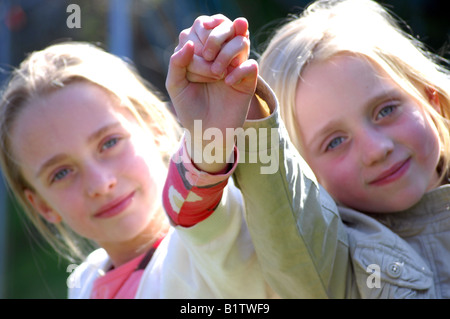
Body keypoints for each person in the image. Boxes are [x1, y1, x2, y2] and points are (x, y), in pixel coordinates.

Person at [178, 0, 450, 298]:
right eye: (334, 142)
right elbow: (281, 203)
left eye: (385, 111)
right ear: (307, 173)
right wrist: (238, 118)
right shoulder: (332, 266)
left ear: (429, 97)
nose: (377, 150)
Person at [0, 41, 276, 298]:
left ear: (153, 126)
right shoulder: (83, 284)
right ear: (42, 205)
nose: (100, 183)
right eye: (61, 173)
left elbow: (210, 218)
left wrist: (211, 135)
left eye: (109, 143)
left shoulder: (210, 246)